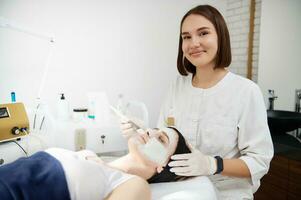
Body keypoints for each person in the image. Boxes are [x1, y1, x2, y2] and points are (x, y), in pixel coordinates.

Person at [120, 4, 274, 199]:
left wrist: (213, 164)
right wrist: (141, 136)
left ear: (220, 36)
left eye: (203, 33)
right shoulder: (177, 87)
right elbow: (162, 151)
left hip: (228, 194)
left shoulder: (246, 91)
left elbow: (259, 161)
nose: (193, 43)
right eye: (186, 37)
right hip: (180, 191)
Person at [0, 127, 192, 200]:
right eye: (155, 129)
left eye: (162, 139)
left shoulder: (133, 185)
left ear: (162, 166)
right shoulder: (92, 155)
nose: (150, 132)